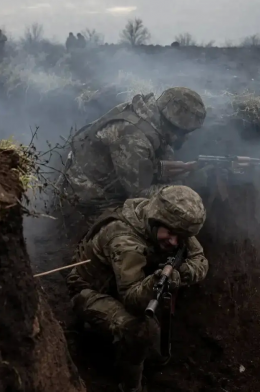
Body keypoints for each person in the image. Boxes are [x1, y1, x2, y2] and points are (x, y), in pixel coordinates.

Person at [66, 185, 209, 392]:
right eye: (170, 234)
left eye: (180, 236)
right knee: (139, 331)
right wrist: (155, 282)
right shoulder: (125, 242)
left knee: (155, 348)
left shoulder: (172, 222)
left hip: (127, 280)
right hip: (90, 290)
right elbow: (132, 300)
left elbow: (200, 260)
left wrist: (181, 273)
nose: (174, 242)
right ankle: (130, 387)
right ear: (156, 220)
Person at [60, 87, 208, 222]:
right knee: (145, 226)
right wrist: (184, 186)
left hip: (111, 178)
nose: (186, 137)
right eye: (185, 132)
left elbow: (155, 160)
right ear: (171, 124)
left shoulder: (148, 115)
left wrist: (182, 171)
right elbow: (139, 194)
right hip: (89, 196)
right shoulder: (134, 138)